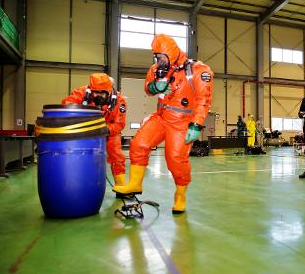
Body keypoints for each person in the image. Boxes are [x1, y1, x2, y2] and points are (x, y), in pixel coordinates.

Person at [113, 34, 213, 214]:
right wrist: (154, 87)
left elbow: (203, 100)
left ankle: (180, 195)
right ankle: (135, 184)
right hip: (160, 117)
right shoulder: (157, 69)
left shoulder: (197, 70)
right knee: (139, 144)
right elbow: (147, 88)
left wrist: (196, 125)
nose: (159, 61)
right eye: (156, 57)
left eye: (161, 57)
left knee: (175, 160)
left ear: (171, 53)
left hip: (182, 122)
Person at [62, 73, 127, 186]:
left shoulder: (119, 101)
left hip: (109, 130)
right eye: (96, 92)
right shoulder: (81, 93)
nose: (98, 96)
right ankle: (81, 182)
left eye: (102, 93)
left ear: (109, 91)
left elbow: (119, 124)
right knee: (83, 155)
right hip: (86, 129)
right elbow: (66, 105)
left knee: (117, 156)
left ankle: (120, 185)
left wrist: (103, 129)